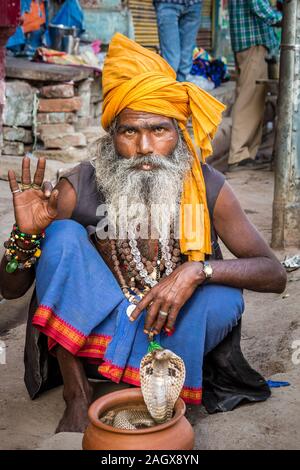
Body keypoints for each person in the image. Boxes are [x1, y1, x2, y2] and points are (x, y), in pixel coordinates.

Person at [0, 34, 286, 433]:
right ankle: (79, 395)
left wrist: (194, 272)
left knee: (222, 297)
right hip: (92, 327)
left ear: (179, 132)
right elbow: (12, 289)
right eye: (130, 132)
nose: (146, 147)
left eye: (159, 130)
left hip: (168, 327)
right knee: (63, 236)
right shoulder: (78, 185)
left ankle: (146, 383)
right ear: (112, 135)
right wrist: (26, 235)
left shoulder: (208, 186)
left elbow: (273, 274)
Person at [228, 0, 282, 171]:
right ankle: (238, 155)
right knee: (249, 99)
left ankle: (247, 155)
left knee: (255, 99)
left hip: (253, 42)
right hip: (253, 43)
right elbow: (259, 6)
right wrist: (286, 19)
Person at [154, 0, 202, 82]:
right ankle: (168, 89)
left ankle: (179, 90)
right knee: (171, 61)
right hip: (167, 3)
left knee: (186, 61)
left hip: (194, 4)